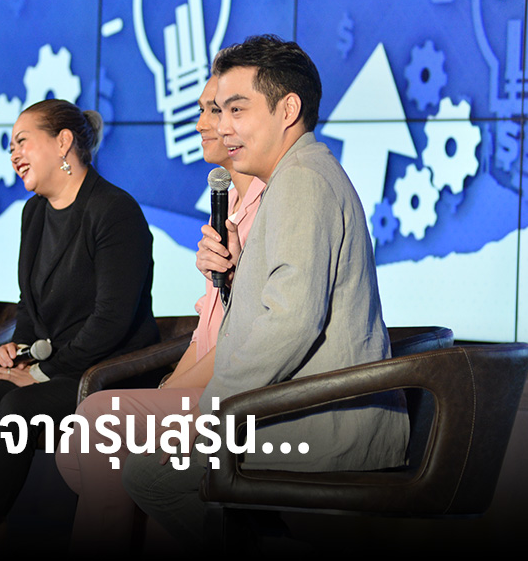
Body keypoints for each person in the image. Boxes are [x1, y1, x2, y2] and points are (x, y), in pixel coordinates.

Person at [121, 35, 408, 548]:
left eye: (237, 109)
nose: (222, 126)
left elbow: (290, 323)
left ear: (288, 110)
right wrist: (234, 279)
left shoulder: (302, 181)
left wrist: (210, 415)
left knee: (151, 473)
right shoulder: (297, 176)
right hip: (301, 411)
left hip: (322, 422)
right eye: (219, 111)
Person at [55, 75, 265, 553]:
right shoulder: (228, 202)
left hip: (242, 393)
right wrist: (170, 385)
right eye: (204, 110)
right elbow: (208, 327)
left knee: (101, 424)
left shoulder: (273, 205)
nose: (204, 124)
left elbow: (245, 338)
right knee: (82, 448)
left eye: (219, 110)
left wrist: (169, 393)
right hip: (210, 380)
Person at [0, 99, 159, 550]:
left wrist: (42, 372)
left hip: (108, 371)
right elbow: (31, 305)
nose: (13, 154)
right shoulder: (34, 212)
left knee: (18, 409)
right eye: (10, 146)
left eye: (22, 141)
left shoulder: (114, 210)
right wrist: (17, 348)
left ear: (63, 142)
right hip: (53, 365)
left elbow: (111, 320)